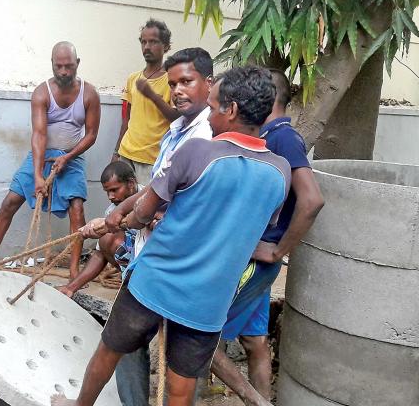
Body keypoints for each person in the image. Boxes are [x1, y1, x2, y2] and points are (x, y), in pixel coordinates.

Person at [52, 66, 291, 406]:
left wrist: (122, 219)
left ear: (232, 110)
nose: (209, 115)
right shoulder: (280, 171)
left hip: (156, 282)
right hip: (209, 301)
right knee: (180, 387)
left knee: (110, 350)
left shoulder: (197, 153)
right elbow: (255, 224)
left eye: (213, 105)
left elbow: (145, 212)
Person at [81, 47, 216, 406]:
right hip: (150, 254)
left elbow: (183, 203)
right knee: (128, 345)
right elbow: (157, 188)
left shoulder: (206, 136)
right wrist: (118, 217)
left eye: (186, 81)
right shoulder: (177, 130)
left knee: (177, 361)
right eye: (172, 83)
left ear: (209, 84)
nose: (178, 90)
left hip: (175, 260)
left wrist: (129, 216)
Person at [210, 70, 324, 406]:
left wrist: (278, 250)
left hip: (254, 263)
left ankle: (256, 401)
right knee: (254, 341)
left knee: (201, 338)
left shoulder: (282, 138)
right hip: (255, 262)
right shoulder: (270, 136)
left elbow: (312, 199)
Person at [0, 42, 101, 280]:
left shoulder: (89, 94)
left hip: (73, 157)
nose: (63, 72)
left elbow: (91, 135)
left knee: (78, 210)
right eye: (58, 66)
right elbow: (39, 134)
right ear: (51, 64)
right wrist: (39, 174)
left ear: (77, 64)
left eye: (68, 66)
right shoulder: (41, 93)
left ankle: (73, 270)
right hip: (41, 154)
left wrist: (67, 157)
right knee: (10, 201)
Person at [57, 161, 141, 298]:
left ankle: (139, 287)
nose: (110, 196)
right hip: (137, 261)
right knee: (106, 240)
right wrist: (71, 288)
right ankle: (132, 283)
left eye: (114, 190)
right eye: (107, 192)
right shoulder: (112, 211)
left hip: (157, 260)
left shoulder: (150, 198)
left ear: (131, 184)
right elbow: (99, 254)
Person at [114, 19, 178, 185]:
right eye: (143, 42)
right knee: (121, 205)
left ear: (166, 46)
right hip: (126, 153)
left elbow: (176, 118)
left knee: (145, 208)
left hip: (152, 158)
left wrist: (152, 95)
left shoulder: (171, 80)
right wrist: (116, 152)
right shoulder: (133, 79)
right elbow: (125, 120)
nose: (147, 47)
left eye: (153, 42)